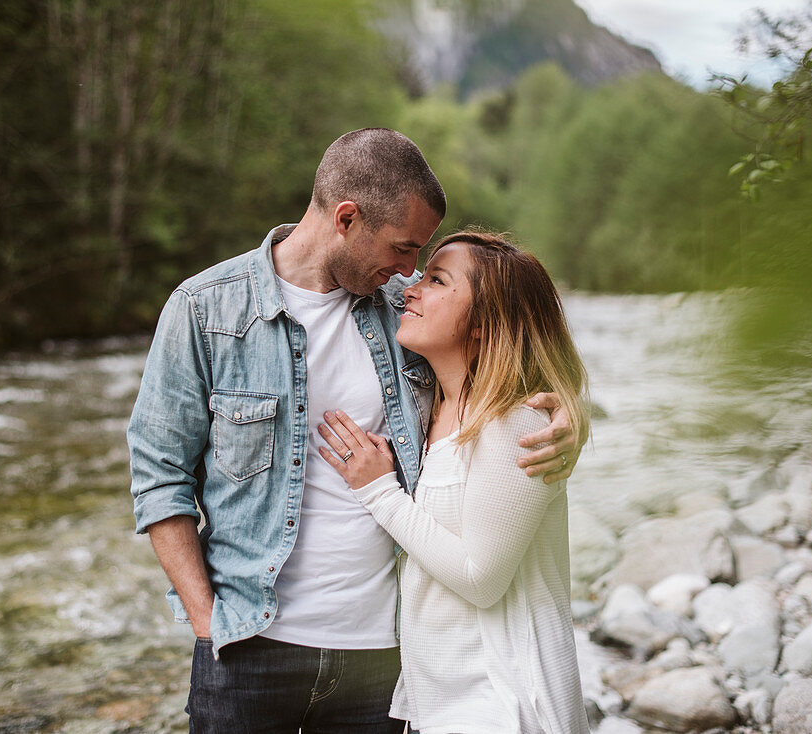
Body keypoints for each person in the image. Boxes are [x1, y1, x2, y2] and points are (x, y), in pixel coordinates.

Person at [127, 129, 581, 733]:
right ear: (346, 218)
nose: (410, 269)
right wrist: (206, 620)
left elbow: (509, 357)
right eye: (402, 247)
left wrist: (571, 411)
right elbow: (160, 477)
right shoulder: (205, 309)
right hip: (248, 649)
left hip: (385, 663)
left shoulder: (406, 311)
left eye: (421, 259)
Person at [319, 231, 591, 734]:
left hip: (503, 701)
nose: (410, 290)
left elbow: (481, 579)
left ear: (485, 323)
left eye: (437, 280)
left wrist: (379, 492)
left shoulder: (518, 423)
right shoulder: (433, 411)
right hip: (446, 699)